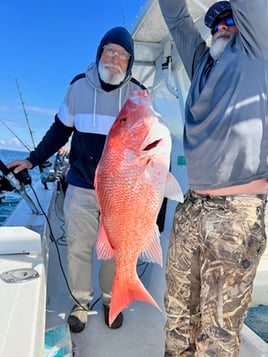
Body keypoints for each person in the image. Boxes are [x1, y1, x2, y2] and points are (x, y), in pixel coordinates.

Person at [7, 26, 146, 333]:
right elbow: (59, 131)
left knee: (116, 247)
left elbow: (148, 141)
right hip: (82, 184)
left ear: (130, 62)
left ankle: (112, 299)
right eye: (109, 51)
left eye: (123, 55)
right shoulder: (77, 87)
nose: (115, 59)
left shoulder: (137, 94)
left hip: (119, 191)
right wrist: (32, 159)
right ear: (99, 54)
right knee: (78, 247)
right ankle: (81, 303)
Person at [158, 0, 268, 356]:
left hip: (237, 213)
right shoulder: (203, 63)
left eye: (230, 20)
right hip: (191, 207)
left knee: (218, 332)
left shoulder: (255, 51)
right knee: (177, 315)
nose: (221, 26)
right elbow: (175, 18)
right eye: (215, 23)